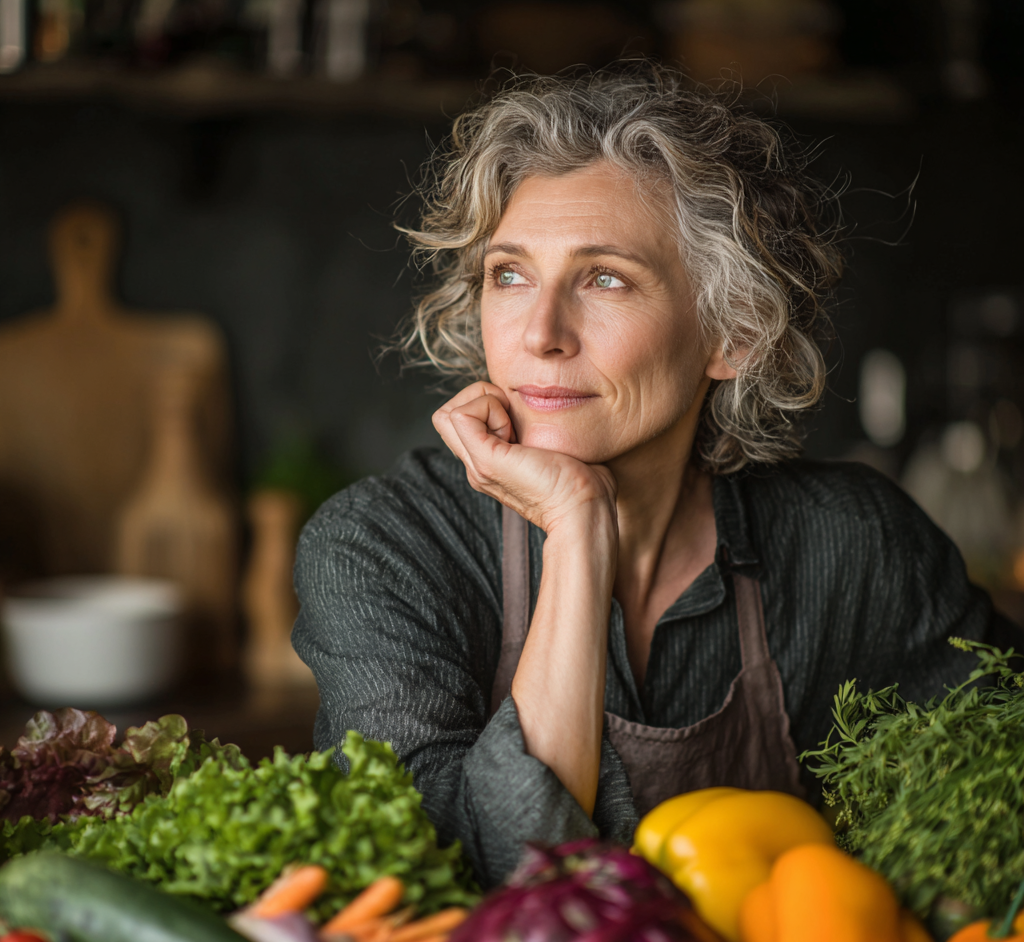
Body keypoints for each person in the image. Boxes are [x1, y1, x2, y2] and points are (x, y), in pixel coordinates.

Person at [293, 66, 1023, 889]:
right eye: (509, 274)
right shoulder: (385, 549)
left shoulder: (854, 549)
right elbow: (457, 879)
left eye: (604, 278)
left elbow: (999, 786)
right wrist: (577, 531)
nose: (541, 333)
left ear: (733, 334)